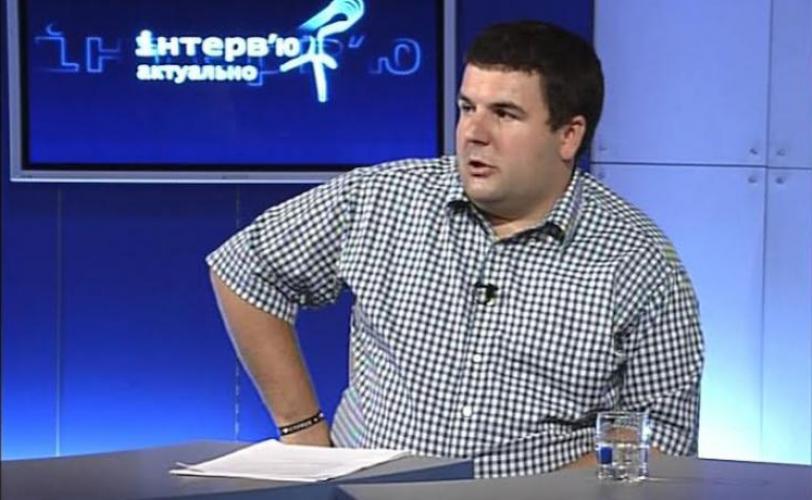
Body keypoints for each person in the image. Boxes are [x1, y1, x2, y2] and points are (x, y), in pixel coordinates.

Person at [207, 20, 704, 478]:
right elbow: (245, 268)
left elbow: (662, 435)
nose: (473, 133)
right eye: (468, 108)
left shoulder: (636, 261)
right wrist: (302, 431)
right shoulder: (381, 199)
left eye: (504, 114)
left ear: (568, 135)